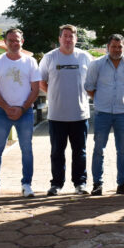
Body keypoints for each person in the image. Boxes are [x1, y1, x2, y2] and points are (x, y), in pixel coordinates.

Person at [0, 28, 41, 198]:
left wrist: (22, 108)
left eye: (17, 40)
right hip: (2, 111)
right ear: (5, 42)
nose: (14, 43)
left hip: (25, 112)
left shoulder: (30, 62)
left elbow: (35, 90)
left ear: (22, 41)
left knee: (27, 149)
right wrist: (7, 107)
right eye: (10, 40)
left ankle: (27, 184)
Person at [40, 24, 93, 195]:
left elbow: (93, 82)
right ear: (59, 38)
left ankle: (80, 183)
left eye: (72, 36)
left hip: (80, 114)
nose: (68, 39)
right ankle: (56, 184)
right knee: (57, 152)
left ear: (76, 39)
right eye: (65, 36)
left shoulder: (85, 57)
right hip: (57, 115)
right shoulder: (49, 58)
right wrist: (54, 95)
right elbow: (41, 82)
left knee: (80, 152)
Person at [84, 34, 124, 196]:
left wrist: (121, 99)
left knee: (123, 150)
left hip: (122, 113)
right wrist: (101, 100)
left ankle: (122, 184)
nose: (117, 49)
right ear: (108, 47)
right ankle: (97, 184)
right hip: (102, 113)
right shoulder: (97, 64)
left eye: (120, 46)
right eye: (114, 46)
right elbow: (89, 87)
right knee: (99, 149)